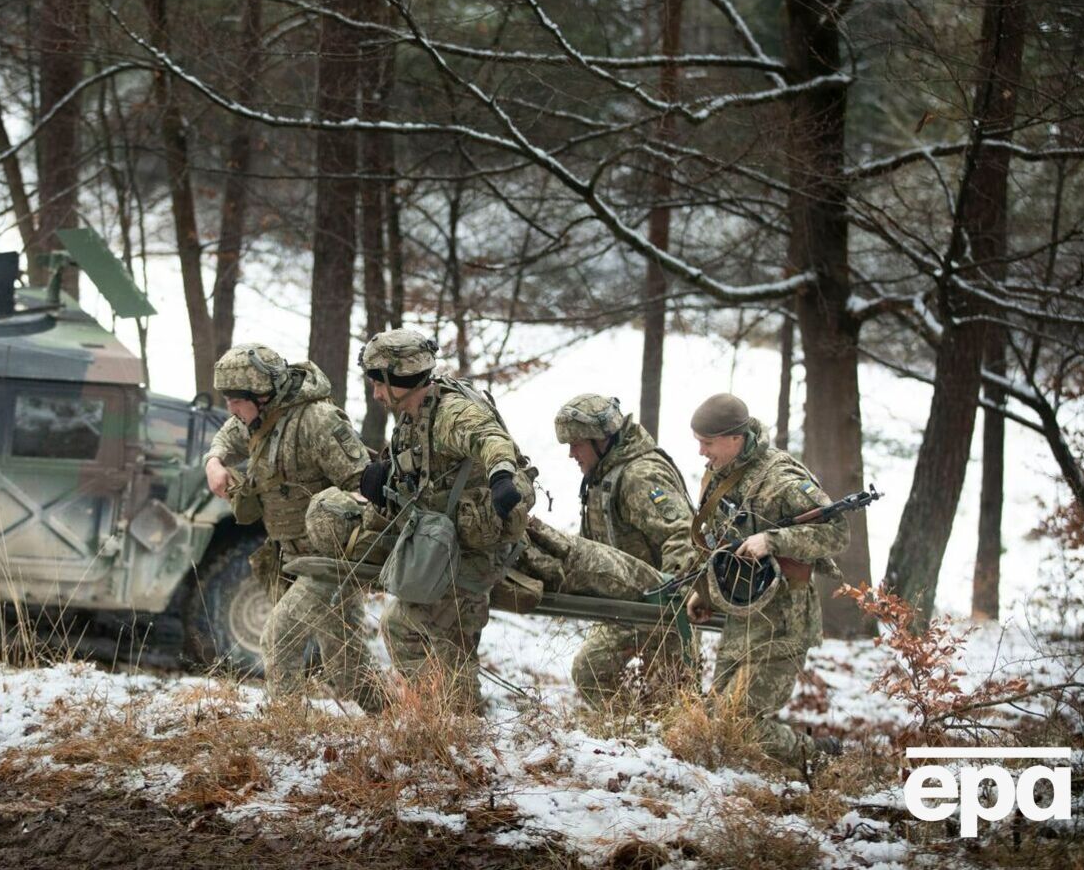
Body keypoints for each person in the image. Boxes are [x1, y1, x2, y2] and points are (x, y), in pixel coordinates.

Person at [355, 328, 533, 711]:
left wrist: (502, 474)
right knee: (454, 656)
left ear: (396, 378)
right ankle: (458, 728)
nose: (376, 394)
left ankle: (442, 720)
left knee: (401, 626)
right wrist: (384, 475)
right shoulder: (412, 415)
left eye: (377, 384)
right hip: (446, 548)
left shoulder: (451, 413)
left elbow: (490, 438)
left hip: (469, 555)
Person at [203, 343, 380, 711]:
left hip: (327, 561)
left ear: (262, 395)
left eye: (236, 400)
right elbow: (228, 435)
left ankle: (287, 728)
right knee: (348, 668)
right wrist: (214, 461)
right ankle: (395, 720)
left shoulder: (319, 422)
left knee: (279, 637)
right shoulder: (258, 420)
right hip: (290, 558)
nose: (231, 410)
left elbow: (365, 488)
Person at [684, 393, 846, 765]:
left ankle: (820, 759)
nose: (701, 453)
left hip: (784, 616)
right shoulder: (722, 476)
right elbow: (720, 540)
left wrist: (773, 540)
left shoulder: (782, 479)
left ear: (734, 439)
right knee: (714, 718)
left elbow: (837, 533)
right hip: (743, 610)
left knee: (738, 718)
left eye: (707, 444)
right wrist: (704, 595)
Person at [553, 394, 696, 707]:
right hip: (625, 604)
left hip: (659, 607)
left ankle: (653, 745)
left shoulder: (639, 476)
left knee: (673, 701)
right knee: (592, 671)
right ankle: (628, 739)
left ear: (601, 440)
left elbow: (682, 535)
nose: (571, 454)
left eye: (576, 444)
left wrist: (671, 596)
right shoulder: (601, 475)